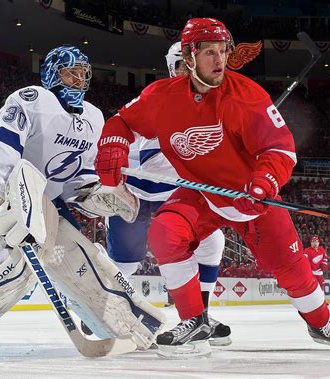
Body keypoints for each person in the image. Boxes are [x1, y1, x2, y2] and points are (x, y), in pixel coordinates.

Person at [92, 18, 330, 357]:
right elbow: (123, 120)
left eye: (222, 52)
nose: (219, 61)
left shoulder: (247, 95)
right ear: (189, 56)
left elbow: (280, 149)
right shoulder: (162, 96)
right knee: (164, 231)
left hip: (249, 196)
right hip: (202, 193)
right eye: (209, 52)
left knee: (293, 270)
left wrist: (265, 178)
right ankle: (195, 320)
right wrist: (114, 143)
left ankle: (320, 323)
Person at [0, 45, 163, 359]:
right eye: (69, 72)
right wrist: (12, 203)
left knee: (81, 260)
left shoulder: (93, 117)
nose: (76, 80)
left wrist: (100, 194)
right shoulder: (32, 99)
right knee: (13, 257)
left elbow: (77, 179)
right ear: (52, 74)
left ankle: (127, 328)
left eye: (82, 74)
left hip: (44, 196)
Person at [105, 41, 231, 346]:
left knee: (212, 240)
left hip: (172, 196)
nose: (186, 73)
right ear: (172, 67)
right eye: (179, 65)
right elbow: (156, 157)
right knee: (125, 261)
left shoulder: (214, 105)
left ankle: (200, 316)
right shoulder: (159, 98)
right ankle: (103, 310)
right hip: (134, 194)